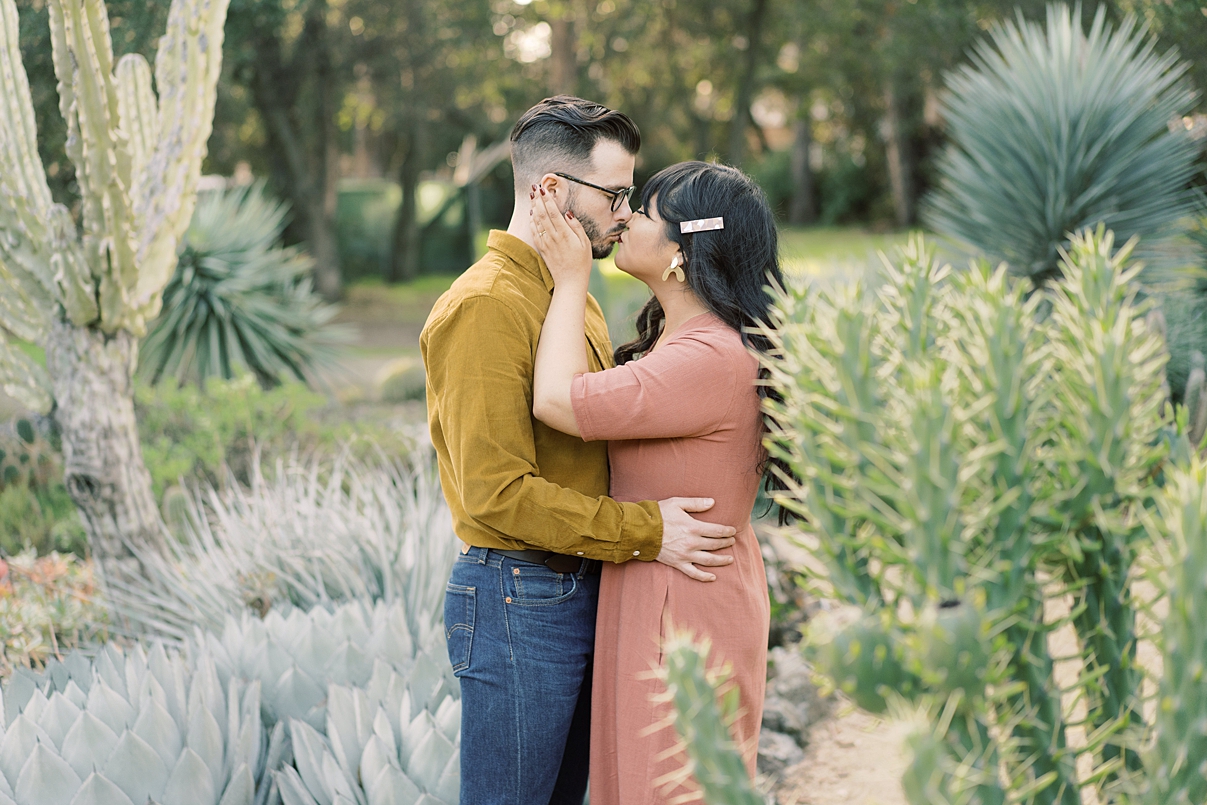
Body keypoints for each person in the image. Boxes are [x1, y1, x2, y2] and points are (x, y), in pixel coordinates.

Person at [420, 97, 738, 805]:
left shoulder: (573, 295)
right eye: (615, 194)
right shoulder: (486, 305)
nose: (625, 212)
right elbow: (495, 493)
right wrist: (647, 531)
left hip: (574, 587)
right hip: (517, 599)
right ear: (551, 192)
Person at [529, 160, 785, 803]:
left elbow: (556, 400)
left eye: (643, 210)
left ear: (682, 249)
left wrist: (569, 279)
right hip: (663, 585)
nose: (624, 217)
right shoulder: (684, 344)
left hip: (684, 605)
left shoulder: (708, 357)